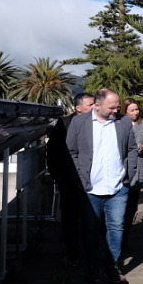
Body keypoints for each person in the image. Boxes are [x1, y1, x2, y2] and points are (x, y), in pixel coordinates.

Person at [65, 88, 139, 284]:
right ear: (97, 106)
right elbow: (71, 151)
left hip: (118, 187)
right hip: (91, 189)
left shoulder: (123, 122)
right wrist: (80, 178)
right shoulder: (79, 122)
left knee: (117, 228)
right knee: (91, 229)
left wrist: (128, 175)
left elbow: (132, 149)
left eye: (117, 107)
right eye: (112, 107)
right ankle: (93, 267)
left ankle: (112, 267)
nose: (116, 110)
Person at [50, 92, 98, 262]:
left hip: (93, 181)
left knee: (92, 219)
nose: (95, 107)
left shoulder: (100, 124)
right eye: (90, 104)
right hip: (69, 182)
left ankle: (92, 254)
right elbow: (53, 152)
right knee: (71, 219)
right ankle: (73, 255)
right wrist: (58, 177)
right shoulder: (63, 125)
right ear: (79, 108)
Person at [122, 99, 143, 252]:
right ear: (125, 111)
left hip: (138, 168)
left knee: (131, 205)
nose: (135, 113)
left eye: (137, 109)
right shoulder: (119, 124)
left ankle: (125, 236)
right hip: (122, 169)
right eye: (132, 110)